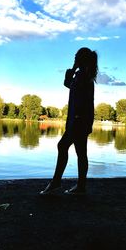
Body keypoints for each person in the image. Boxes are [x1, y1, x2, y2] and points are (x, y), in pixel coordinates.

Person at [40, 47, 98, 195]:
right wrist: (71, 71)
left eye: (75, 57)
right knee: (81, 153)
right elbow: (69, 85)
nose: (73, 59)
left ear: (80, 59)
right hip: (81, 121)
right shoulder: (85, 76)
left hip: (78, 121)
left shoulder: (82, 76)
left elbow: (73, 89)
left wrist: (72, 70)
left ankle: (56, 182)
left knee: (62, 146)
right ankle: (80, 187)